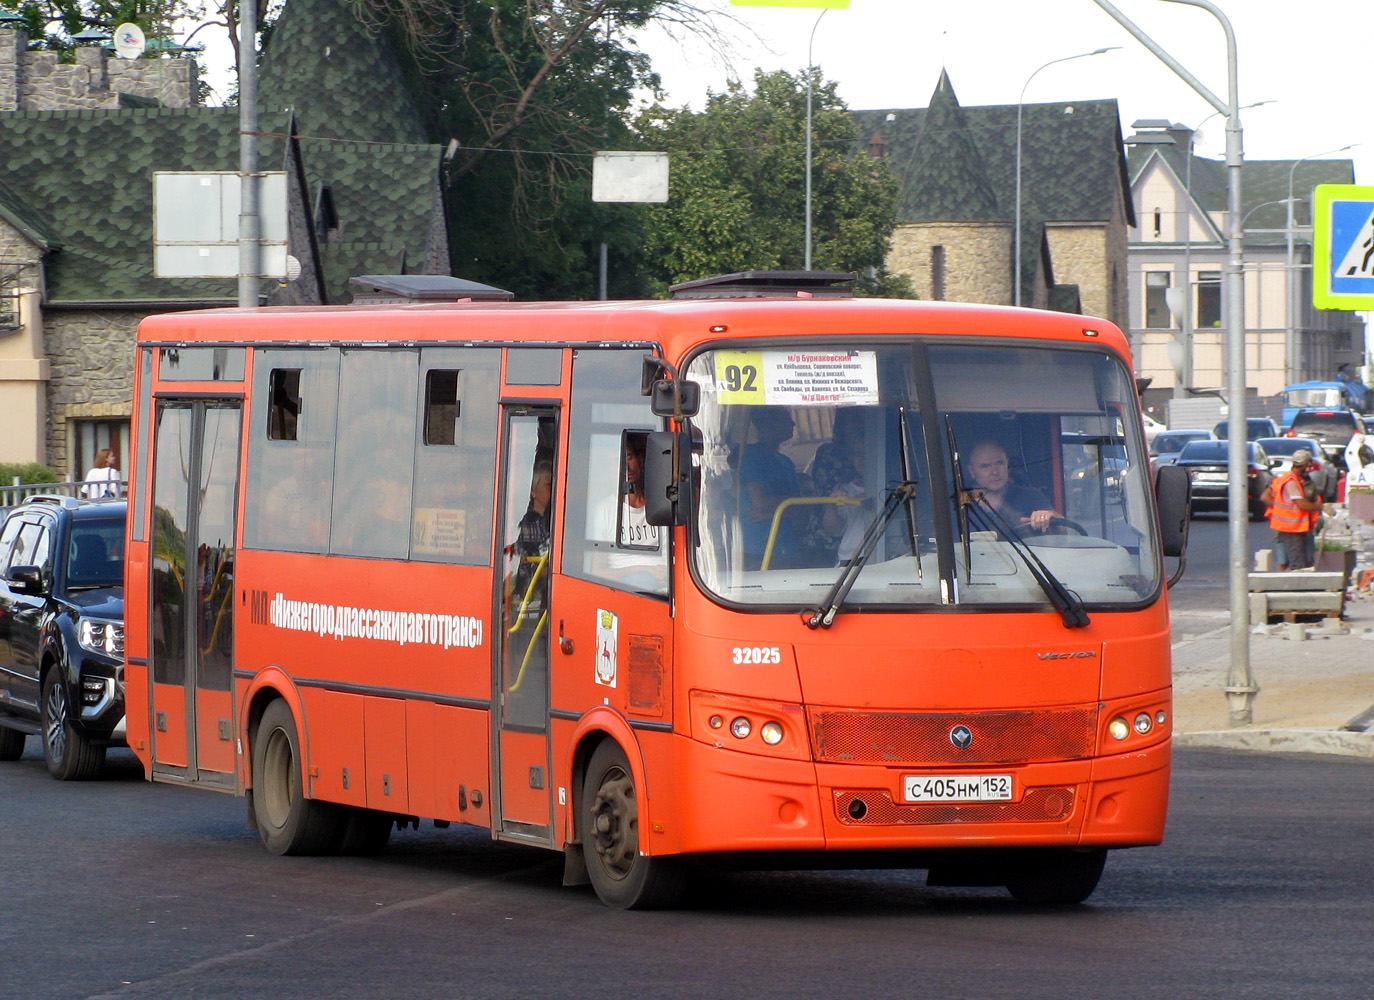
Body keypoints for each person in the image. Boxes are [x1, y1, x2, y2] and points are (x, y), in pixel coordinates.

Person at [592, 435, 667, 590]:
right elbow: (598, 572)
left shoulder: (662, 504)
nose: (624, 466)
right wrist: (642, 570)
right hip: (630, 590)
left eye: (628, 457)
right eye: (616, 461)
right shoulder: (604, 510)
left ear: (640, 460)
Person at [739, 406, 801, 568]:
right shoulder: (752, 457)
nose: (793, 423)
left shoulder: (786, 462)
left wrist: (771, 513)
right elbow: (760, 503)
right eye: (786, 420)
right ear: (768, 425)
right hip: (759, 549)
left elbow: (800, 509)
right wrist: (790, 502)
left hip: (788, 547)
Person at [966, 439, 1059, 532]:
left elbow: (1064, 528)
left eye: (1000, 463)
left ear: (1007, 464)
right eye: (986, 466)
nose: (995, 472)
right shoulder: (959, 504)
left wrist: (1048, 516)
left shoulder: (1030, 495)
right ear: (972, 471)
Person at [1262, 448, 1323, 570]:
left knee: (1299, 559)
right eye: (1309, 466)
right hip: (1291, 527)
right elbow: (1301, 504)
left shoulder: (1292, 479)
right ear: (1304, 465)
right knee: (1296, 562)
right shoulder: (1290, 481)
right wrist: (1320, 507)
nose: (1310, 469)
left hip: (1296, 527)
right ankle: (1293, 585)